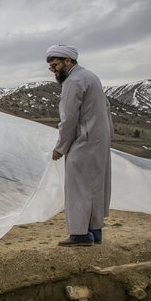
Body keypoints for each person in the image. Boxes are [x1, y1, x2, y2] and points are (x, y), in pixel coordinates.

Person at [46, 45, 112, 247]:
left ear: (68, 61)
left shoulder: (73, 82)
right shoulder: (91, 77)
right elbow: (107, 109)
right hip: (99, 139)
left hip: (84, 140)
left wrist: (60, 148)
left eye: (55, 65)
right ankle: (94, 230)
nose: (53, 70)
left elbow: (68, 119)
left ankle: (79, 234)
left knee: (78, 187)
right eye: (50, 67)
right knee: (95, 186)